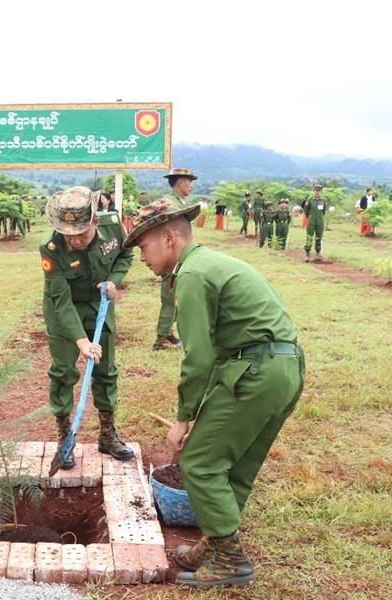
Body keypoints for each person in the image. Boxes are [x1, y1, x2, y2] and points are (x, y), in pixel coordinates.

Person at [123, 198, 304, 588]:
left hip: (255, 371)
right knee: (234, 465)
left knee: (200, 463)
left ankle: (230, 561)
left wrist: (183, 419)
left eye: (143, 246)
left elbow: (199, 357)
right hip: (283, 369)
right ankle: (217, 544)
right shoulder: (211, 263)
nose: (141, 257)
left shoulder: (191, 274)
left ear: (169, 238)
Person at [41, 186, 135, 466]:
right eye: (68, 234)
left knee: (105, 370)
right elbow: (61, 300)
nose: (74, 240)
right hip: (63, 312)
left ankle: (107, 435)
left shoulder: (113, 227)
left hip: (99, 306)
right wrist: (81, 341)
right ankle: (64, 437)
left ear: (95, 220)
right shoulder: (51, 248)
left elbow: (125, 255)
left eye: (81, 234)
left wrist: (113, 281)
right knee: (63, 372)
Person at [154, 167, 197, 351]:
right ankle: (161, 339)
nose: (191, 186)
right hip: (170, 257)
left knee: (175, 296)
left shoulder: (178, 202)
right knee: (169, 298)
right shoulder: (169, 203)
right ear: (180, 182)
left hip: (177, 256)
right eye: (189, 182)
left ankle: (167, 331)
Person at [302, 184, 328, 262]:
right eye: (316, 190)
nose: (317, 192)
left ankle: (318, 253)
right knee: (309, 237)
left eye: (319, 190)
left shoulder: (323, 201)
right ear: (314, 191)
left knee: (319, 237)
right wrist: (310, 217)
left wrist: (319, 218)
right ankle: (307, 254)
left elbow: (323, 212)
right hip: (311, 222)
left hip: (320, 222)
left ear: (321, 191)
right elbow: (306, 211)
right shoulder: (310, 200)